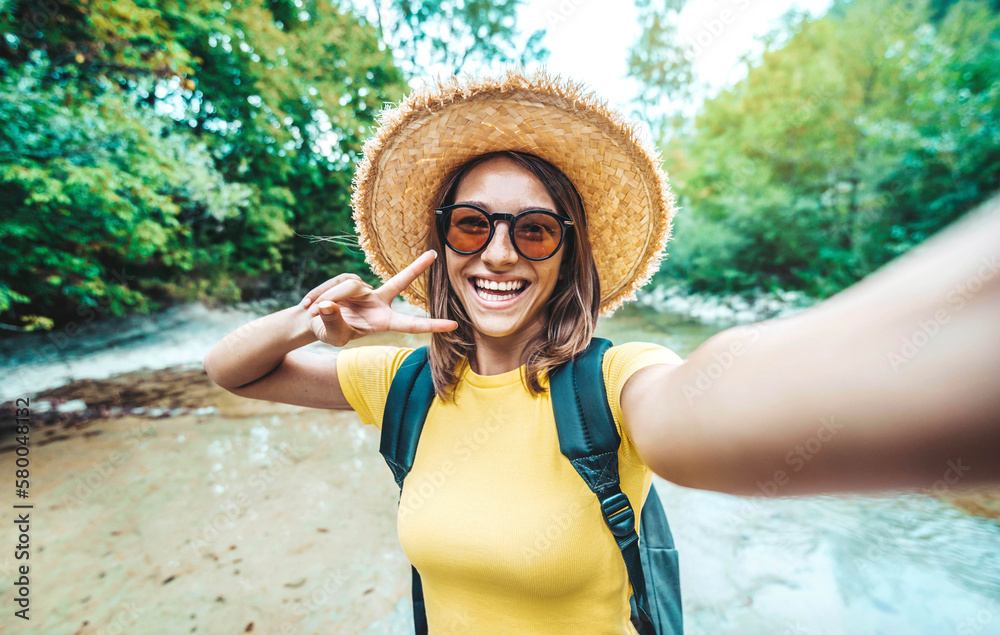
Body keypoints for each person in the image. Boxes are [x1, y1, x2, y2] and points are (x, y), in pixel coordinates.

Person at [202, 70, 1000, 634]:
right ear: (442, 244)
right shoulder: (401, 378)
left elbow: (712, 409)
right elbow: (232, 369)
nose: (500, 254)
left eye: (535, 228)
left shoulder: (614, 380)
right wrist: (314, 321)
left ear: (566, 257)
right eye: (472, 224)